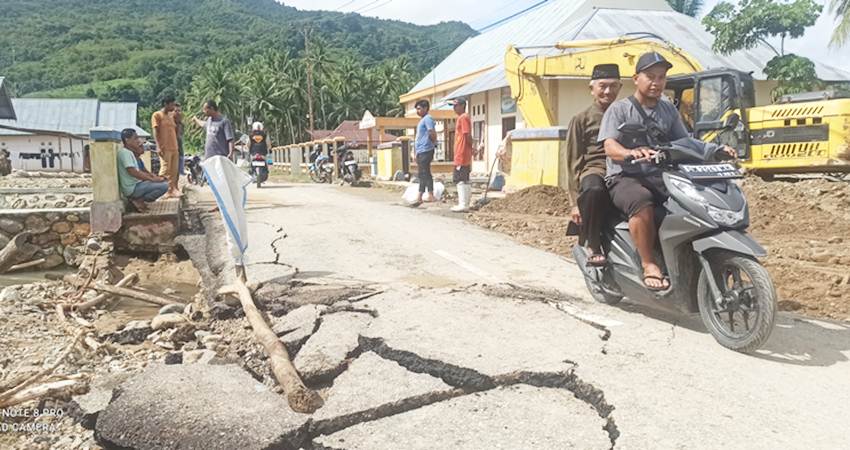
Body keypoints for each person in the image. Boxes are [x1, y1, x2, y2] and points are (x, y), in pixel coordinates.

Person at [599, 52, 691, 291]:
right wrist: (629, 153)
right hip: (624, 177)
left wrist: (717, 149)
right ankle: (648, 263)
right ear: (635, 79)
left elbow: (685, 142)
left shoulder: (668, 110)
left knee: (688, 203)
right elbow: (610, 146)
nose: (656, 82)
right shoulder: (619, 110)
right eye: (650, 76)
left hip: (659, 175)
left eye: (661, 77)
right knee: (643, 201)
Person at [566, 64, 623, 266]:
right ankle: (593, 242)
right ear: (592, 89)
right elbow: (573, 161)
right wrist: (574, 203)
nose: (608, 91)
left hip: (624, 168)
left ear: (620, 87)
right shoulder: (581, 119)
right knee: (594, 190)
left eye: (613, 86)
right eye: (602, 86)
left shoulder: (626, 114)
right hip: (595, 168)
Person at [117, 128, 168, 212]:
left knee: (162, 182)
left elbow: (140, 171)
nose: (138, 140)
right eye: (135, 138)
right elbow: (133, 172)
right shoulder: (124, 153)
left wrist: (154, 178)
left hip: (137, 185)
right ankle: (137, 200)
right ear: (127, 140)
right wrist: (152, 179)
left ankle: (138, 200)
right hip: (132, 188)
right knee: (164, 186)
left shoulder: (128, 153)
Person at [151, 96, 181, 198]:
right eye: (172, 104)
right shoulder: (157, 115)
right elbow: (155, 130)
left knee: (173, 171)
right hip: (165, 147)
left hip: (174, 147)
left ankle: (171, 191)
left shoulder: (171, 116)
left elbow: (176, 132)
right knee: (165, 170)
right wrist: (158, 146)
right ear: (166, 104)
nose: (173, 106)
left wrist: (179, 121)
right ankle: (159, 191)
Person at [411, 99, 437, 206]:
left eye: (419, 108)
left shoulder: (427, 118)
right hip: (421, 150)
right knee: (425, 172)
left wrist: (432, 143)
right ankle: (429, 194)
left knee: (423, 173)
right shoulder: (422, 120)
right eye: (416, 109)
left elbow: (431, 132)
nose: (417, 111)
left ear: (425, 108)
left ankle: (421, 195)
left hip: (426, 149)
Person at [450, 98, 473, 212]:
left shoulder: (463, 117)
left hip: (462, 153)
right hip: (463, 152)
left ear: (463, 105)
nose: (454, 108)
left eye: (456, 105)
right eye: (453, 106)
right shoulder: (463, 117)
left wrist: (471, 147)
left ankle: (463, 204)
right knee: (464, 178)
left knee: (460, 179)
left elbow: (467, 134)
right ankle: (465, 203)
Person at [172, 103, 185, 176]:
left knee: (180, 173)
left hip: (180, 151)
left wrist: (179, 123)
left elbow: (179, 137)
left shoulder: (181, 124)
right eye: (176, 111)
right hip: (171, 151)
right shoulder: (169, 124)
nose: (178, 113)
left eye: (179, 111)